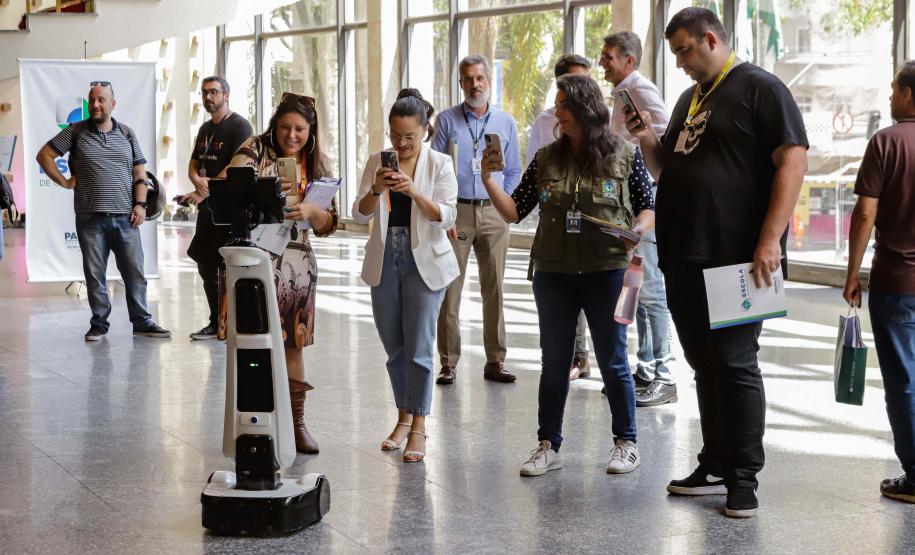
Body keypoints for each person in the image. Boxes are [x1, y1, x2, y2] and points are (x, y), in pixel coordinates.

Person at [628, 7, 808, 517]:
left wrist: (770, 240)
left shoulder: (760, 88)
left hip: (739, 259)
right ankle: (715, 462)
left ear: (711, 38)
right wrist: (645, 138)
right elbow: (668, 167)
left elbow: (793, 159)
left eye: (685, 49)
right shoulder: (690, 98)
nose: (680, 62)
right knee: (704, 365)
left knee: (734, 363)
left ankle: (744, 476)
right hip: (685, 255)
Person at [480, 74, 655, 477]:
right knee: (554, 362)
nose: (556, 112)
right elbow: (514, 211)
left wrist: (639, 231)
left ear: (582, 109)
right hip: (554, 273)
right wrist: (489, 179)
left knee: (613, 361)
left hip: (607, 271)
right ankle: (548, 445)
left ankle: (626, 442)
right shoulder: (546, 158)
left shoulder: (625, 155)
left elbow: (648, 206)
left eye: (562, 104)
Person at [223, 92, 338, 454]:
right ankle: (254, 423)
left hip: (297, 263)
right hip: (255, 261)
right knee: (251, 343)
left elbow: (329, 223)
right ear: (275, 125)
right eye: (285, 127)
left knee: (292, 344)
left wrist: (311, 212)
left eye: (300, 129)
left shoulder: (318, 163)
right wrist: (267, 193)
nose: (292, 135)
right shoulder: (254, 149)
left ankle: (297, 424)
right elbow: (231, 188)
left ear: (311, 129)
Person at [352, 89, 459, 463]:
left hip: (426, 259)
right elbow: (361, 213)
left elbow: (446, 216)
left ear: (425, 130)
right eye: (395, 136)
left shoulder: (440, 164)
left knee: (419, 347)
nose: (402, 144)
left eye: (410, 137)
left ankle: (418, 426)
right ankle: (402, 417)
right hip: (386, 258)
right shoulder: (376, 162)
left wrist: (413, 191)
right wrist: (378, 189)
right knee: (393, 347)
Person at [36, 81, 171, 341]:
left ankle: (142, 321)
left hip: (125, 218)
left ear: (112, 104)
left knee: (135, 273)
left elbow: (139, 172)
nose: (96, 105)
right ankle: (99, 323)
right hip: (90, 218)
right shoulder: (75, 132)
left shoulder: (128, 134)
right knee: (95, 275)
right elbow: (44, 155)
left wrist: (140, 205)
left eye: (101, 100)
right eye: (92, 100)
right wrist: (64, 182)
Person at [843, 60, 915, 504]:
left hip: (897, 282)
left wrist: (852, 273)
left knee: (905, 381)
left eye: (893, 90)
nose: (889, 98)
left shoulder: (886, 142)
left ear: (908, 94)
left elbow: (865, 212)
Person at [431, 55, 522, 385]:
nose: (475, 84)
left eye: (480, 78)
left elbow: (513, 170)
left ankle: (495, 360)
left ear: (488, 80)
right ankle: (448, 361)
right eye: (468, 79)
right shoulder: (446, 121)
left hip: (493, 211)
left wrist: (504, 203)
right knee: (450, 288)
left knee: (494, 287)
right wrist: (445, 210)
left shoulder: (505, 122)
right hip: (457, 212)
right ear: (460, 83)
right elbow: (435, 169)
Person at [601, 31, 676, 407]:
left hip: (645, 201)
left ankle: (663, 373)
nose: (602, 62)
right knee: (638, 288)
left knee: (650, 291)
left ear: (629, 61)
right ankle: (646, 368)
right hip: (630, 202)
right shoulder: (622, 93)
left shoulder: (640, 90)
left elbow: (660, 141)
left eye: (609, 56)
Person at [526, 53, 593, 381]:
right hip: (555, 223)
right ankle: (571, 354)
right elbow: (533, 176)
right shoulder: (543, 124)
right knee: (562, 292)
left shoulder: (601, 126)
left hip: (592, 224)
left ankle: (586, 355)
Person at [181, 76, 253, 340]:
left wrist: (205, 187)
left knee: (229, 266)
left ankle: (233, 321)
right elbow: (193, 162)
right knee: (205, 263)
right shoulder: (204, 129)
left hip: (230, 209)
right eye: (204, 93)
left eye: (213, 92)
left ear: (227, 94)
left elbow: (237, 164)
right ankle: (216, 321)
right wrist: (197, 181)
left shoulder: (239, 126)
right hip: (208, 208)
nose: (208, 97)